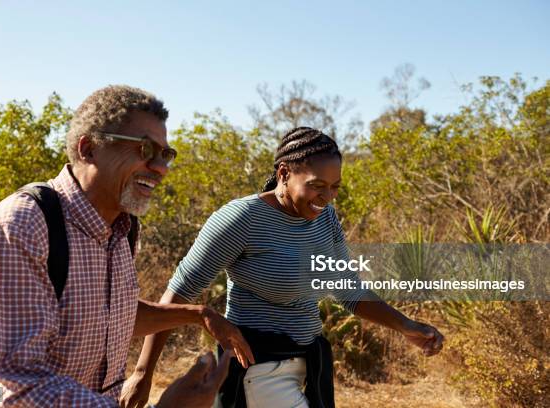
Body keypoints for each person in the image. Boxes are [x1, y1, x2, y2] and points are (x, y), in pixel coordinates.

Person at [0, 85, 254, 407]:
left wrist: (198, 315)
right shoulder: (25, 224)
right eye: (144, 150)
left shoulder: (123, 227)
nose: (161, 168)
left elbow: (111, 315)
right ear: (89, 148)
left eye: (166, 154)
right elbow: (14, 387)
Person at [123, 127, 445, 407]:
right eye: (317, 186)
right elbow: (179, 293)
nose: (327, 197)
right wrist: (143, 373)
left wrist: (406, 326)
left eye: (335, 187)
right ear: (283, 173)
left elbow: (347, 289)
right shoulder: (241, 219)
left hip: (309, 365)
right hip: (258, 368)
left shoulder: (325, 218)